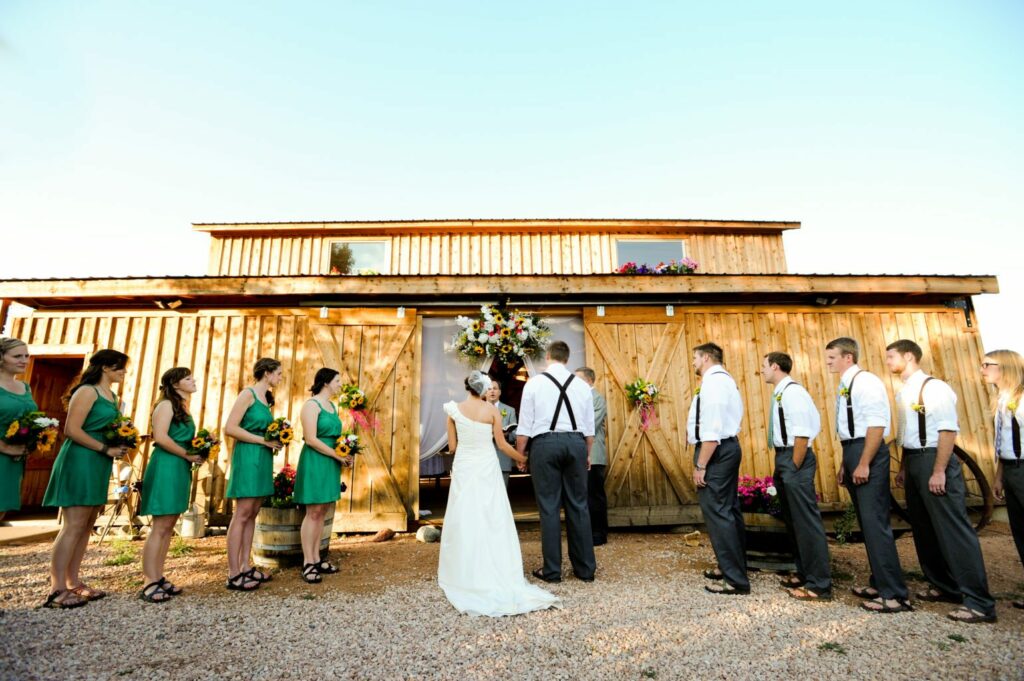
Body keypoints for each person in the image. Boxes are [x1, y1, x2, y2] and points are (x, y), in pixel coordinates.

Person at [886, 339, 996, 623]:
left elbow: (947, 431)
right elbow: (908, 432)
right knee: (923, 528)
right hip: (914, 460)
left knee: (953, 530)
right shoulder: (904, 391)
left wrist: (939, 470)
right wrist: (904, 468)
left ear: (909, 356)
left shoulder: (934, 388)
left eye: (891, 357)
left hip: (936, 459)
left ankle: (979, 601)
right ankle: (945, 586)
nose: (887, 362)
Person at [438, 370, 559, 616]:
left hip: (464, 465)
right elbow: (502, 445)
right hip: (486, 464)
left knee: (465, 512)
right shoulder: (492, 410)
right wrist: (523, 459)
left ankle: (465, 567)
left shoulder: (452, 410)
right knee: (490, 512)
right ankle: (493, 562)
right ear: (482, 389)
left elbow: (452, 447)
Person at [825, 337, 910, 613]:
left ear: (848, 357)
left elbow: (876, 424)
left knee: (875, 523)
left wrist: (863, 463)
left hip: (867, 451)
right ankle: (879, 581)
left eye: (832, 357)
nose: (828, 362)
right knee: (866, 523)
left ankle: (894, 594)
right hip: (853, 450)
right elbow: (849, 428)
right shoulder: (845, 383)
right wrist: (844, 463)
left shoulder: (866, 382)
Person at [42, 349, 132, 609]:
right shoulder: (87, 391)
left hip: (99, 463)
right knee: (73, 523)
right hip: (81, 459)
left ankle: (73, 581)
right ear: (105, 367)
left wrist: (119, 442)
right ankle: (56, 588)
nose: (124, 372)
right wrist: (104, 448)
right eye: (120, 367)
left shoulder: (112, 396)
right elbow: (72, 429)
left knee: (88, 522)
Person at [516, 341, 597, 583]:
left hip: (545, 444)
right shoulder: (583, 386)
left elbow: (524, 427)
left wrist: (522, 456)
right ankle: (585, 570)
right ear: (567, 358)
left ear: (548, 356)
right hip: (575, 443)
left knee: (549, 507)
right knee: (579, 505)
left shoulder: (534, 383)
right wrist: (587, 454)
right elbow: (589, 430)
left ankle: (552, 571)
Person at [760, 352, 832, 600]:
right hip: (783, 457)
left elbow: (803, 433)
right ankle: (803, 571)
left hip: (794, 457)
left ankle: (819, 583)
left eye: (764, 365)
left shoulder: (793, 393)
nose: (762, 370)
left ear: (775, 366)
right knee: (792, 520)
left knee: (806, 522)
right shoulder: (781, 392)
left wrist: (793, 464)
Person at [688, 342, 749, 595]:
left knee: (718, 512)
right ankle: (733, 567)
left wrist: (701, 464)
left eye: (694, 357)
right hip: (725, 448)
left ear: (705, 358)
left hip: (716, 451)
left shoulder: (714, 382)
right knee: (729, 510)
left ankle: (735, 580)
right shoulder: (725, 380)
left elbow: (712, 427)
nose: (693, 363)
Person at [138, 367, 203, 603]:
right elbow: (161, 437)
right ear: (175, 384)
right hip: (166, 465)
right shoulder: (166, 405)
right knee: (160, 526)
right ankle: (148, 581)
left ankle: (158, 575)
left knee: (169, 524)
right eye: (188, 378)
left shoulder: (182, 406)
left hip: (179, 467)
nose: (193, 380)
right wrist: (187, 454)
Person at [223, 357, 284, 592]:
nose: (279, 378)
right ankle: (233, 572)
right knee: (242, 513)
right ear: (266, 373)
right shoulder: (247, 395)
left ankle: (246, 565)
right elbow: (230, 428)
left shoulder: (265, 399)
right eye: (278, 373)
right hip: (248, 456)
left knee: (253, 512)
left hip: (263, 458)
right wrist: (262, 440)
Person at [293, 368, 352, 584]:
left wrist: (346, 453)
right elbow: (311, 439)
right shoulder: (312, 405)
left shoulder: (332, 407)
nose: (340, 384)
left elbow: (335, 436)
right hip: (316, 460)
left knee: (323, 510)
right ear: (326, 382)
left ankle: (318, 558)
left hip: (330, 461)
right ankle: (308, 562)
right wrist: (337, 456)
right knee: (313, 512)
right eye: (337, 381)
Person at [981, 349, 1024, 610]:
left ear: (1005, 367)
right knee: (1019, 530)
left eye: (987, 365)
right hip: (1010, 468)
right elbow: (1004, 443)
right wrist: (999, 477)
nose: (983, 370)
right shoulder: (1001, 399)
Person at [0, 338, 34, 524]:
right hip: (4, 451)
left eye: (26, 356)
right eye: (17, 356)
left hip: (14, 460)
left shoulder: (25, 387)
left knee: (2, 509)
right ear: (1, 358)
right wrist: (5, 448)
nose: (24, 360)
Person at [575, 367, 609, 546]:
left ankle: (599, 533)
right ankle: (585, 532)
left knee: (595, 496)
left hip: (593, 455)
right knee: (582, 495)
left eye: (578, 379)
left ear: (589, 381)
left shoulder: (597, 399)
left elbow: (590, 426)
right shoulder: (577, 399)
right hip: (579, 455)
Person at [485, 378, 517, 488]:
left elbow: (515, 433)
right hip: (482, 458)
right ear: (485, 391)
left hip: (502, 457)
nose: (492, 391)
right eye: (489, 389)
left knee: (502, 494)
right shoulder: (478, 409)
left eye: (495, 388)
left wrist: (507, 435)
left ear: (500, 392)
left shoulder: (509, 410)